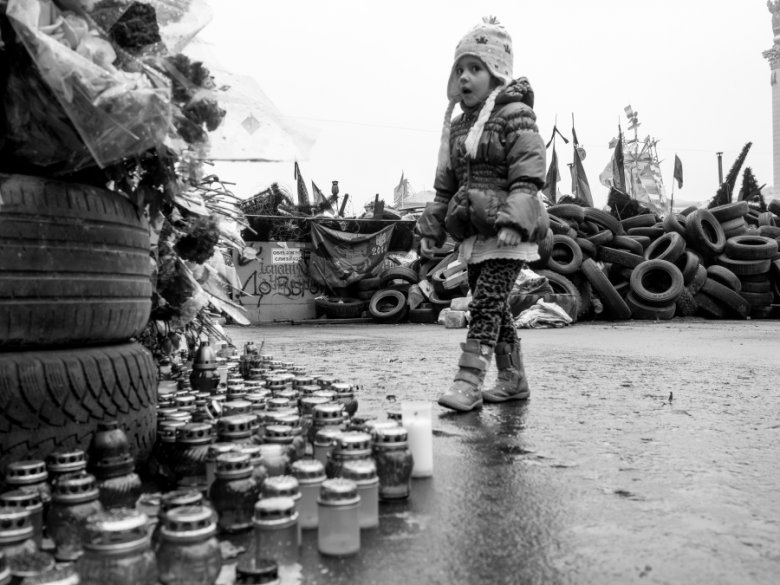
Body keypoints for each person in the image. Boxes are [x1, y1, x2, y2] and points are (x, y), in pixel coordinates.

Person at [416, 16, 549, 413]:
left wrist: (514, 220)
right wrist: (432, 225)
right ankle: (513, 379)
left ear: (496, 73)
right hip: (476, 234)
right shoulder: (459, 126)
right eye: (460, 69)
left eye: (475, 68)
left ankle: (469, 381)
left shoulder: (515, 114)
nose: (465, 77)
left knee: (486, 304)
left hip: (509, 232)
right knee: (495, 307)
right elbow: (446, 184)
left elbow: (528, 172)